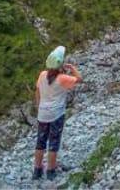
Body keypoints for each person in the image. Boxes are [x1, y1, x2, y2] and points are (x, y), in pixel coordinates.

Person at [33, 46, 81, 182]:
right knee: (53, 142)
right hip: (56, 114)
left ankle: (37, 170)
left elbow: (37, 92)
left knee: (40, 141)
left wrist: (39, 106)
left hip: (42, 114)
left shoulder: (42, 75)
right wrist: (72, 69)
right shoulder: (63, 78)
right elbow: (79, 79)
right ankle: (50, 170)